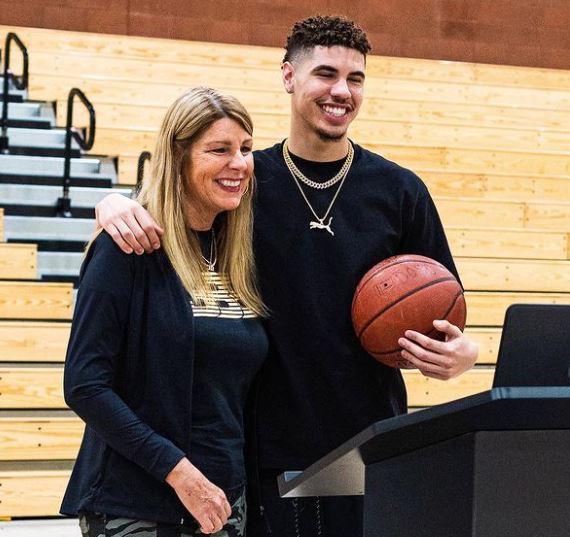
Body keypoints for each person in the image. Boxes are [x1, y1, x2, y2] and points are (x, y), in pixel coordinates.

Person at [94, 16, 479, 537]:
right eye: (325, 74)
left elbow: (447, 312)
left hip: (370, 449)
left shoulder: (400, 191)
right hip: (262, 453)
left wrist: (464, 355)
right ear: (288, 77)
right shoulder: (244, 179)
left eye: (355, 78)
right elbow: (170, 208)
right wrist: (111, 202)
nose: (341, 91)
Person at [61, 87, 269, 537]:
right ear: (178, 156)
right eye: (220, 150)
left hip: (223, 503)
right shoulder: (127, 248)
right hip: (139, 504)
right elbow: (85, 386)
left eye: (246, 149)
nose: (239, 163)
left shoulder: (236, 254)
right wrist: (180, 473)